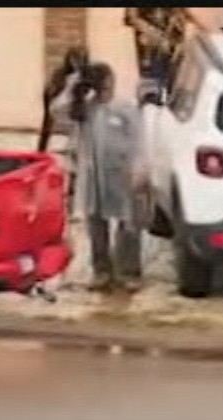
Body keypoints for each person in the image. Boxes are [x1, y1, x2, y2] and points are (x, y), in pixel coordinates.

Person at [70, 60, 142, 292]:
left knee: (128, 224)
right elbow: (57, 109)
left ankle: (129, 271)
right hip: (95, 176)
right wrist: (74, 86)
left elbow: (138, 140)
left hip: (122, 173)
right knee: (96, 224)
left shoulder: (125, 107)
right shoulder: (86, 109)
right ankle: (101, 271)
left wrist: (137, 168)